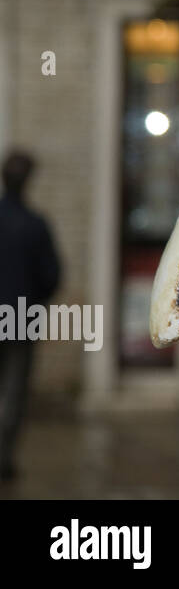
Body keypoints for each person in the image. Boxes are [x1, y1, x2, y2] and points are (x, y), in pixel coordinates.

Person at [0, 149, 61, 483]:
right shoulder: (35, 225)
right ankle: (4, 458)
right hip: (21, 321)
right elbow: (52, 276)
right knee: (13, 393)